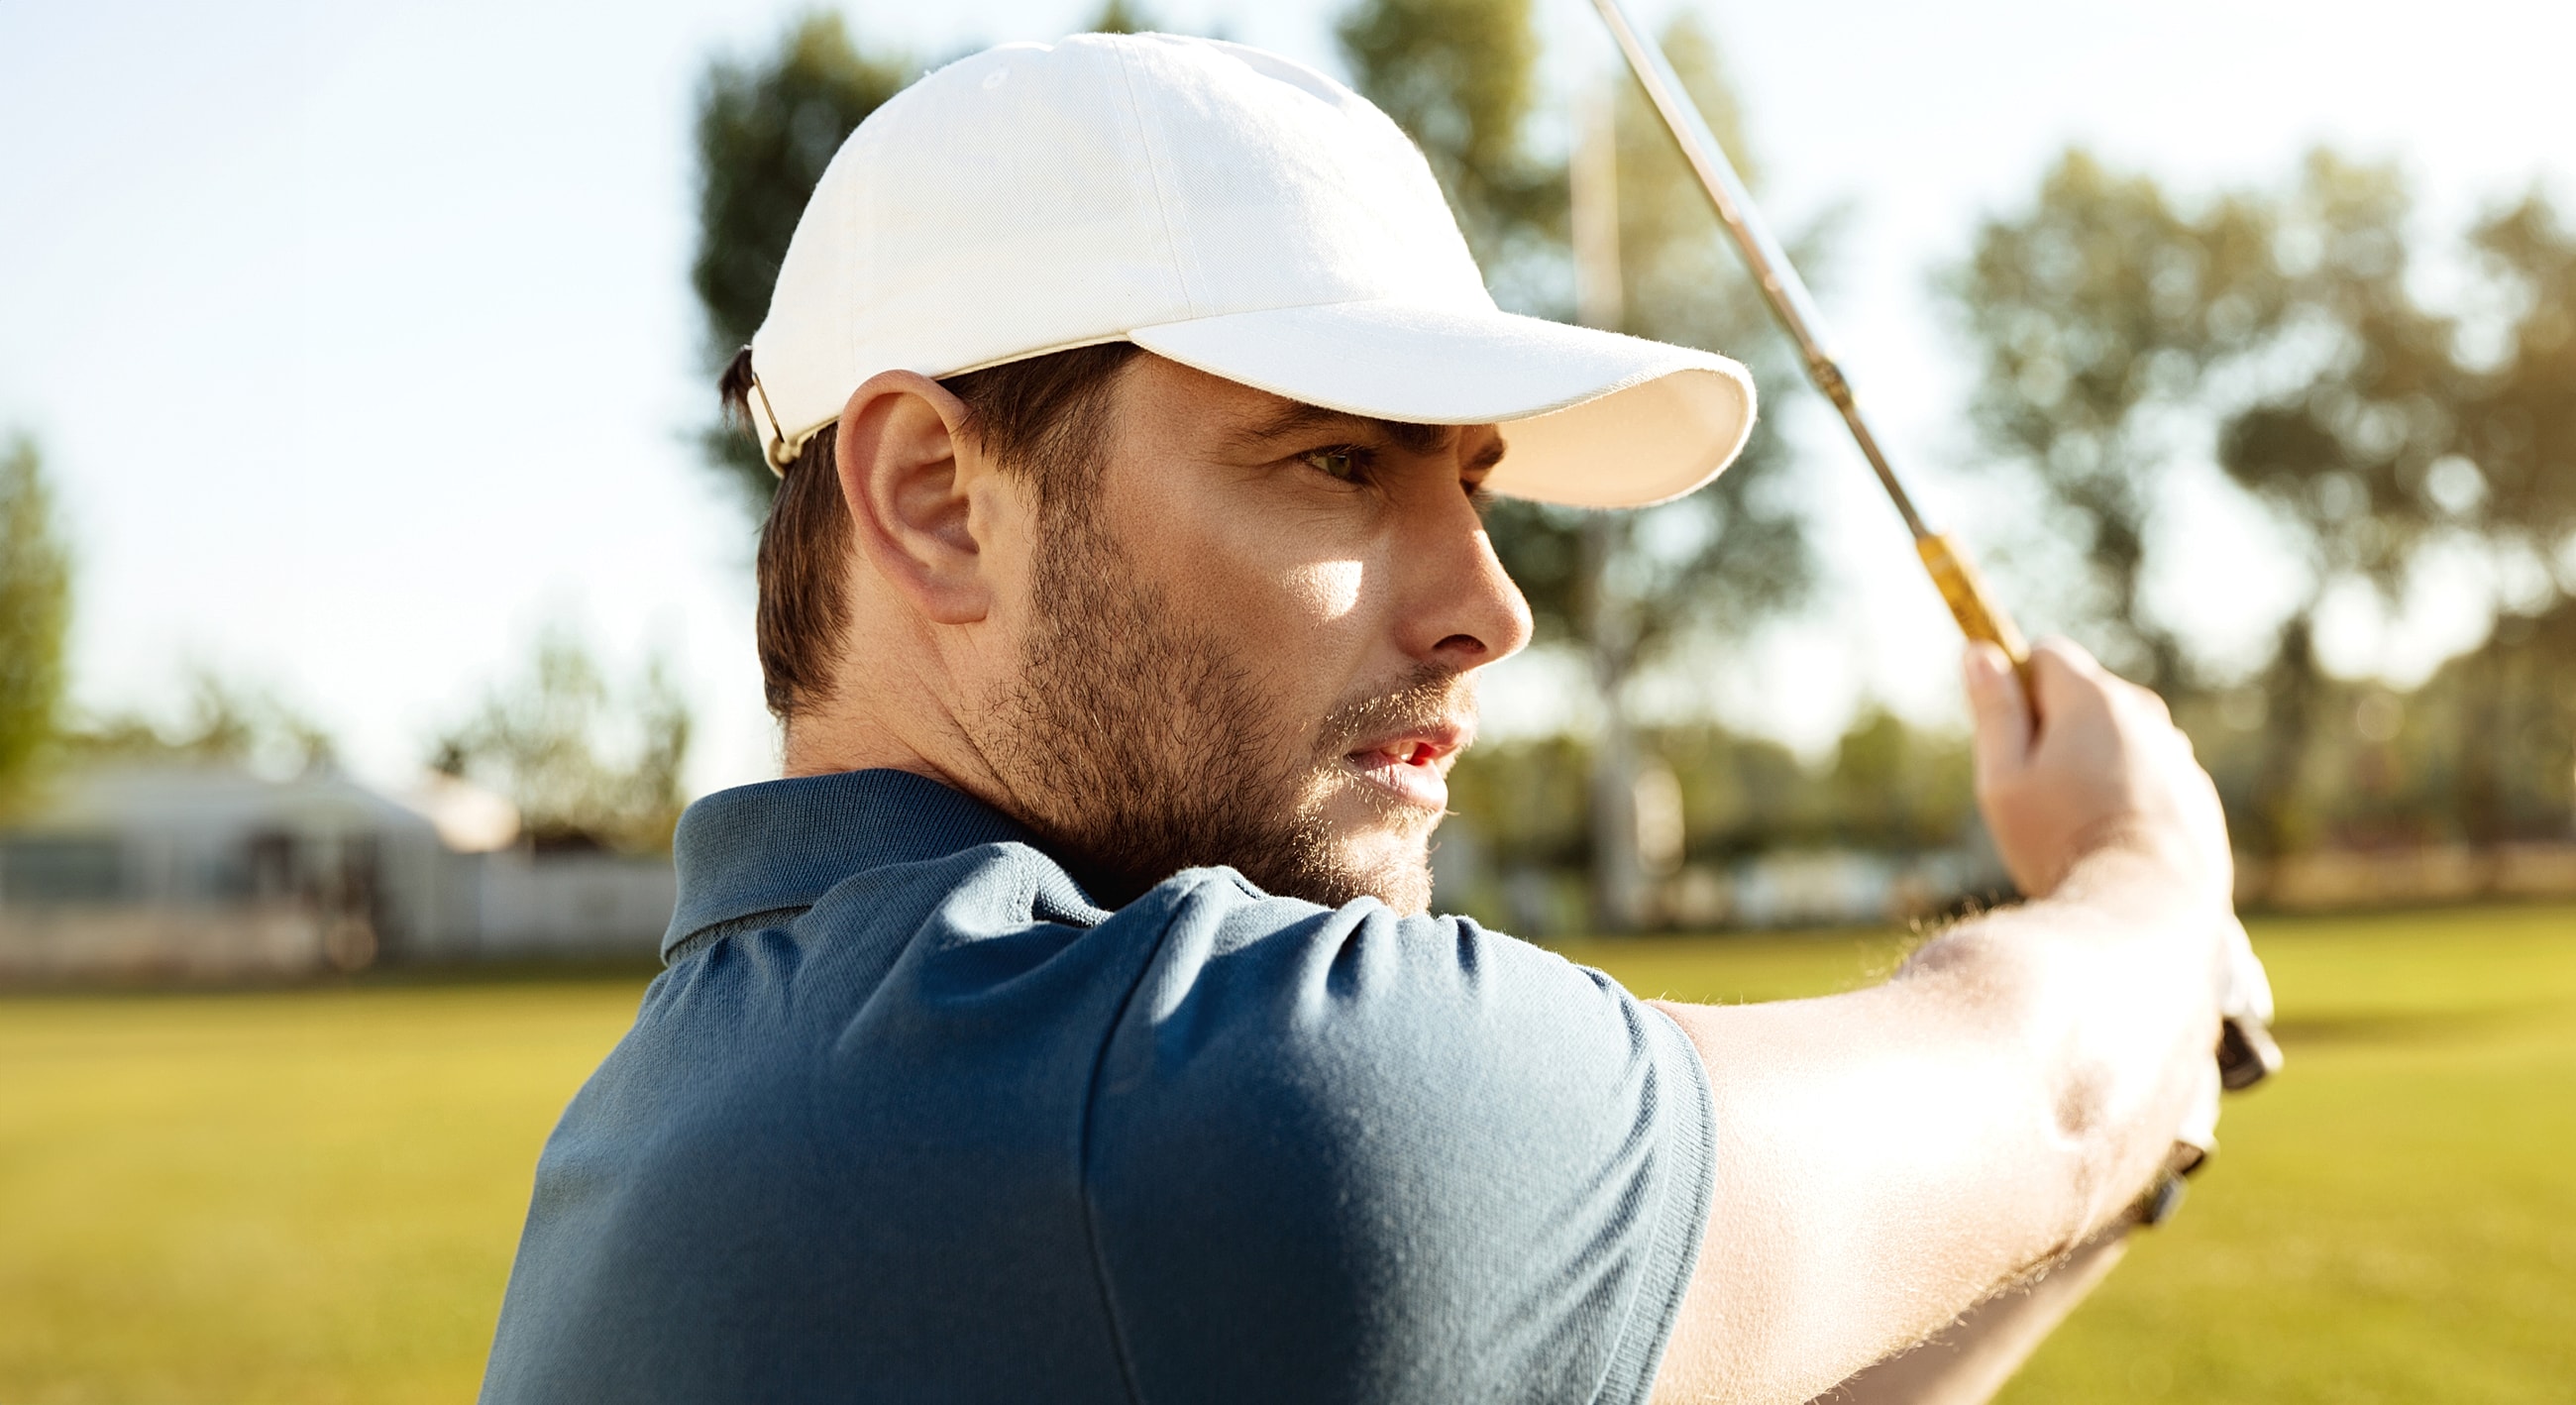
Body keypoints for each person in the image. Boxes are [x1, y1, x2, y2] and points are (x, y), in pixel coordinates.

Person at [481, 33, 2264, 1405]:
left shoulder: (704, 1100)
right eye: (1335, 459)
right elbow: (2050, 1098)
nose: (1492, 606)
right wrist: (2147, 870)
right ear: (939, 499)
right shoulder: (1189, 1091)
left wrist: (2148, 1106)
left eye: (1470, 482)